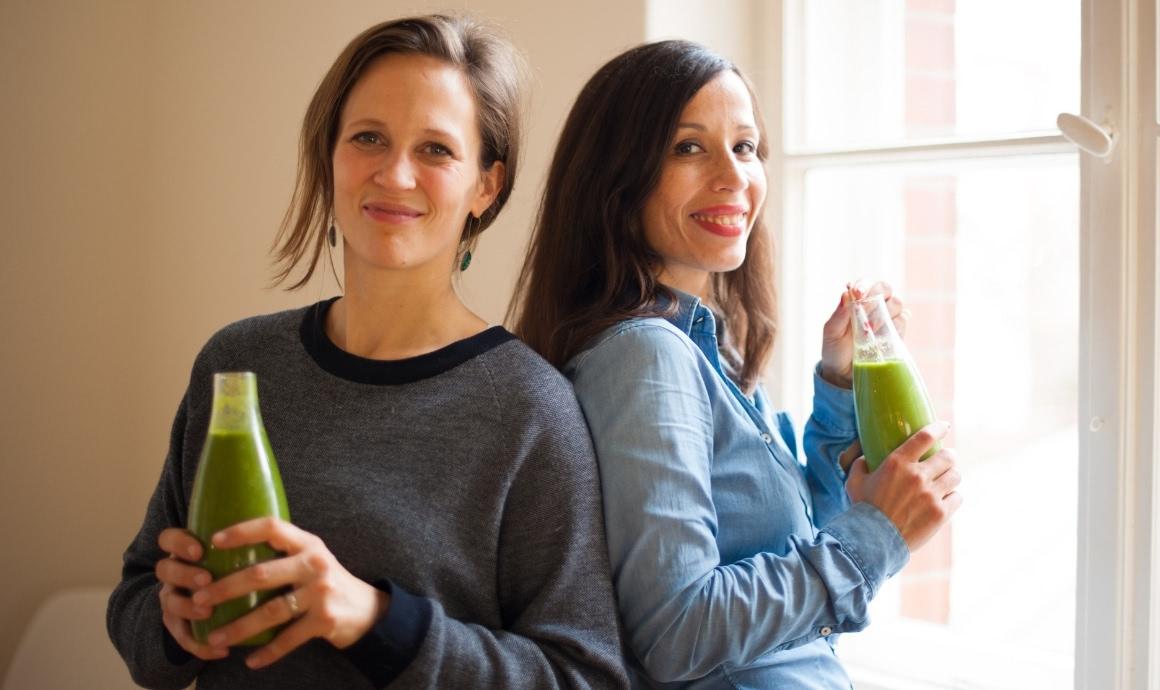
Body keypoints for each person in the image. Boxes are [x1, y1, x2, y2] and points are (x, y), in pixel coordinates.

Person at [107, 15, 628, 689]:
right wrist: (173, 619)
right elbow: (137, 616)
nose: (395, 173)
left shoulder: (530, 409)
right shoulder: (236, 368)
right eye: (369, 138)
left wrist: (377, 620)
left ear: (486, 186)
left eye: (436, 150)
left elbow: (585, 676)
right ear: (330, 154)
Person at [510, 40, 962, 689]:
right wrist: (877, 534)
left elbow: (801, 545)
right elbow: (677, 632)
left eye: (745, 147)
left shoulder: (703, 345)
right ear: (618, 178)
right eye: (688, 147)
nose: (733, 176)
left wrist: (838, 383)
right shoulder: (648, 356)